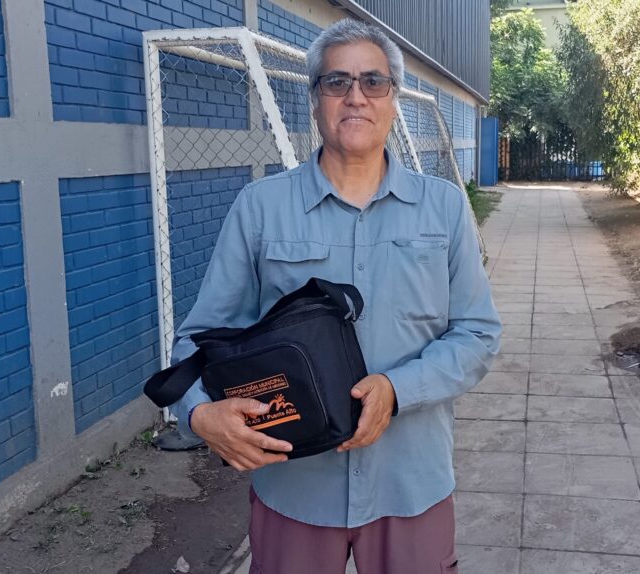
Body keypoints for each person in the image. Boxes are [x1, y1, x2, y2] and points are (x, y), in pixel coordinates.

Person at [168, 18, 502, 574]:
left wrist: (397, 389)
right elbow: (198, 339)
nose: (356, 96)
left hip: (410, 481)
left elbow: (478, 333)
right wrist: (199, 414)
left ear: (393, 99)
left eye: (373, 81)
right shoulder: (261, 208)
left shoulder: (442, 207)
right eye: (337, 81)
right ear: (315, 99)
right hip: (295, 485)